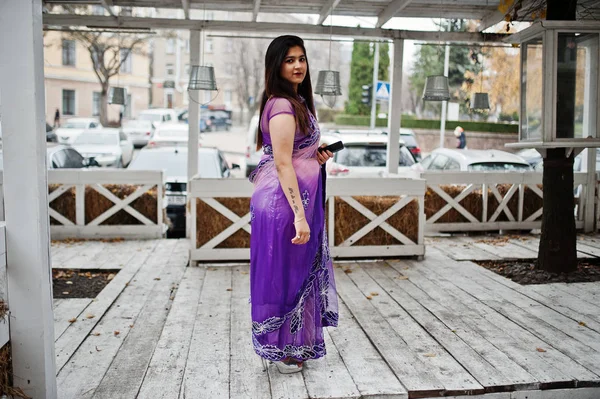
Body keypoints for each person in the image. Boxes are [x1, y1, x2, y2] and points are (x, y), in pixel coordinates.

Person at [248, 35, 339, 374]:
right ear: (276, 65)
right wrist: (300, 217)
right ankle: (283, 349)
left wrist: (316, 156)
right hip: (285, 204)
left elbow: (294, 156)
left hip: (292, 198)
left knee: (295, 272)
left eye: (302, 58)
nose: (298, 65)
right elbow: (283, 163)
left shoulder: (295, 101)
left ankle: (292, 344)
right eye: (290, 60)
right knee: (284, 273)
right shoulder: (283, 106)